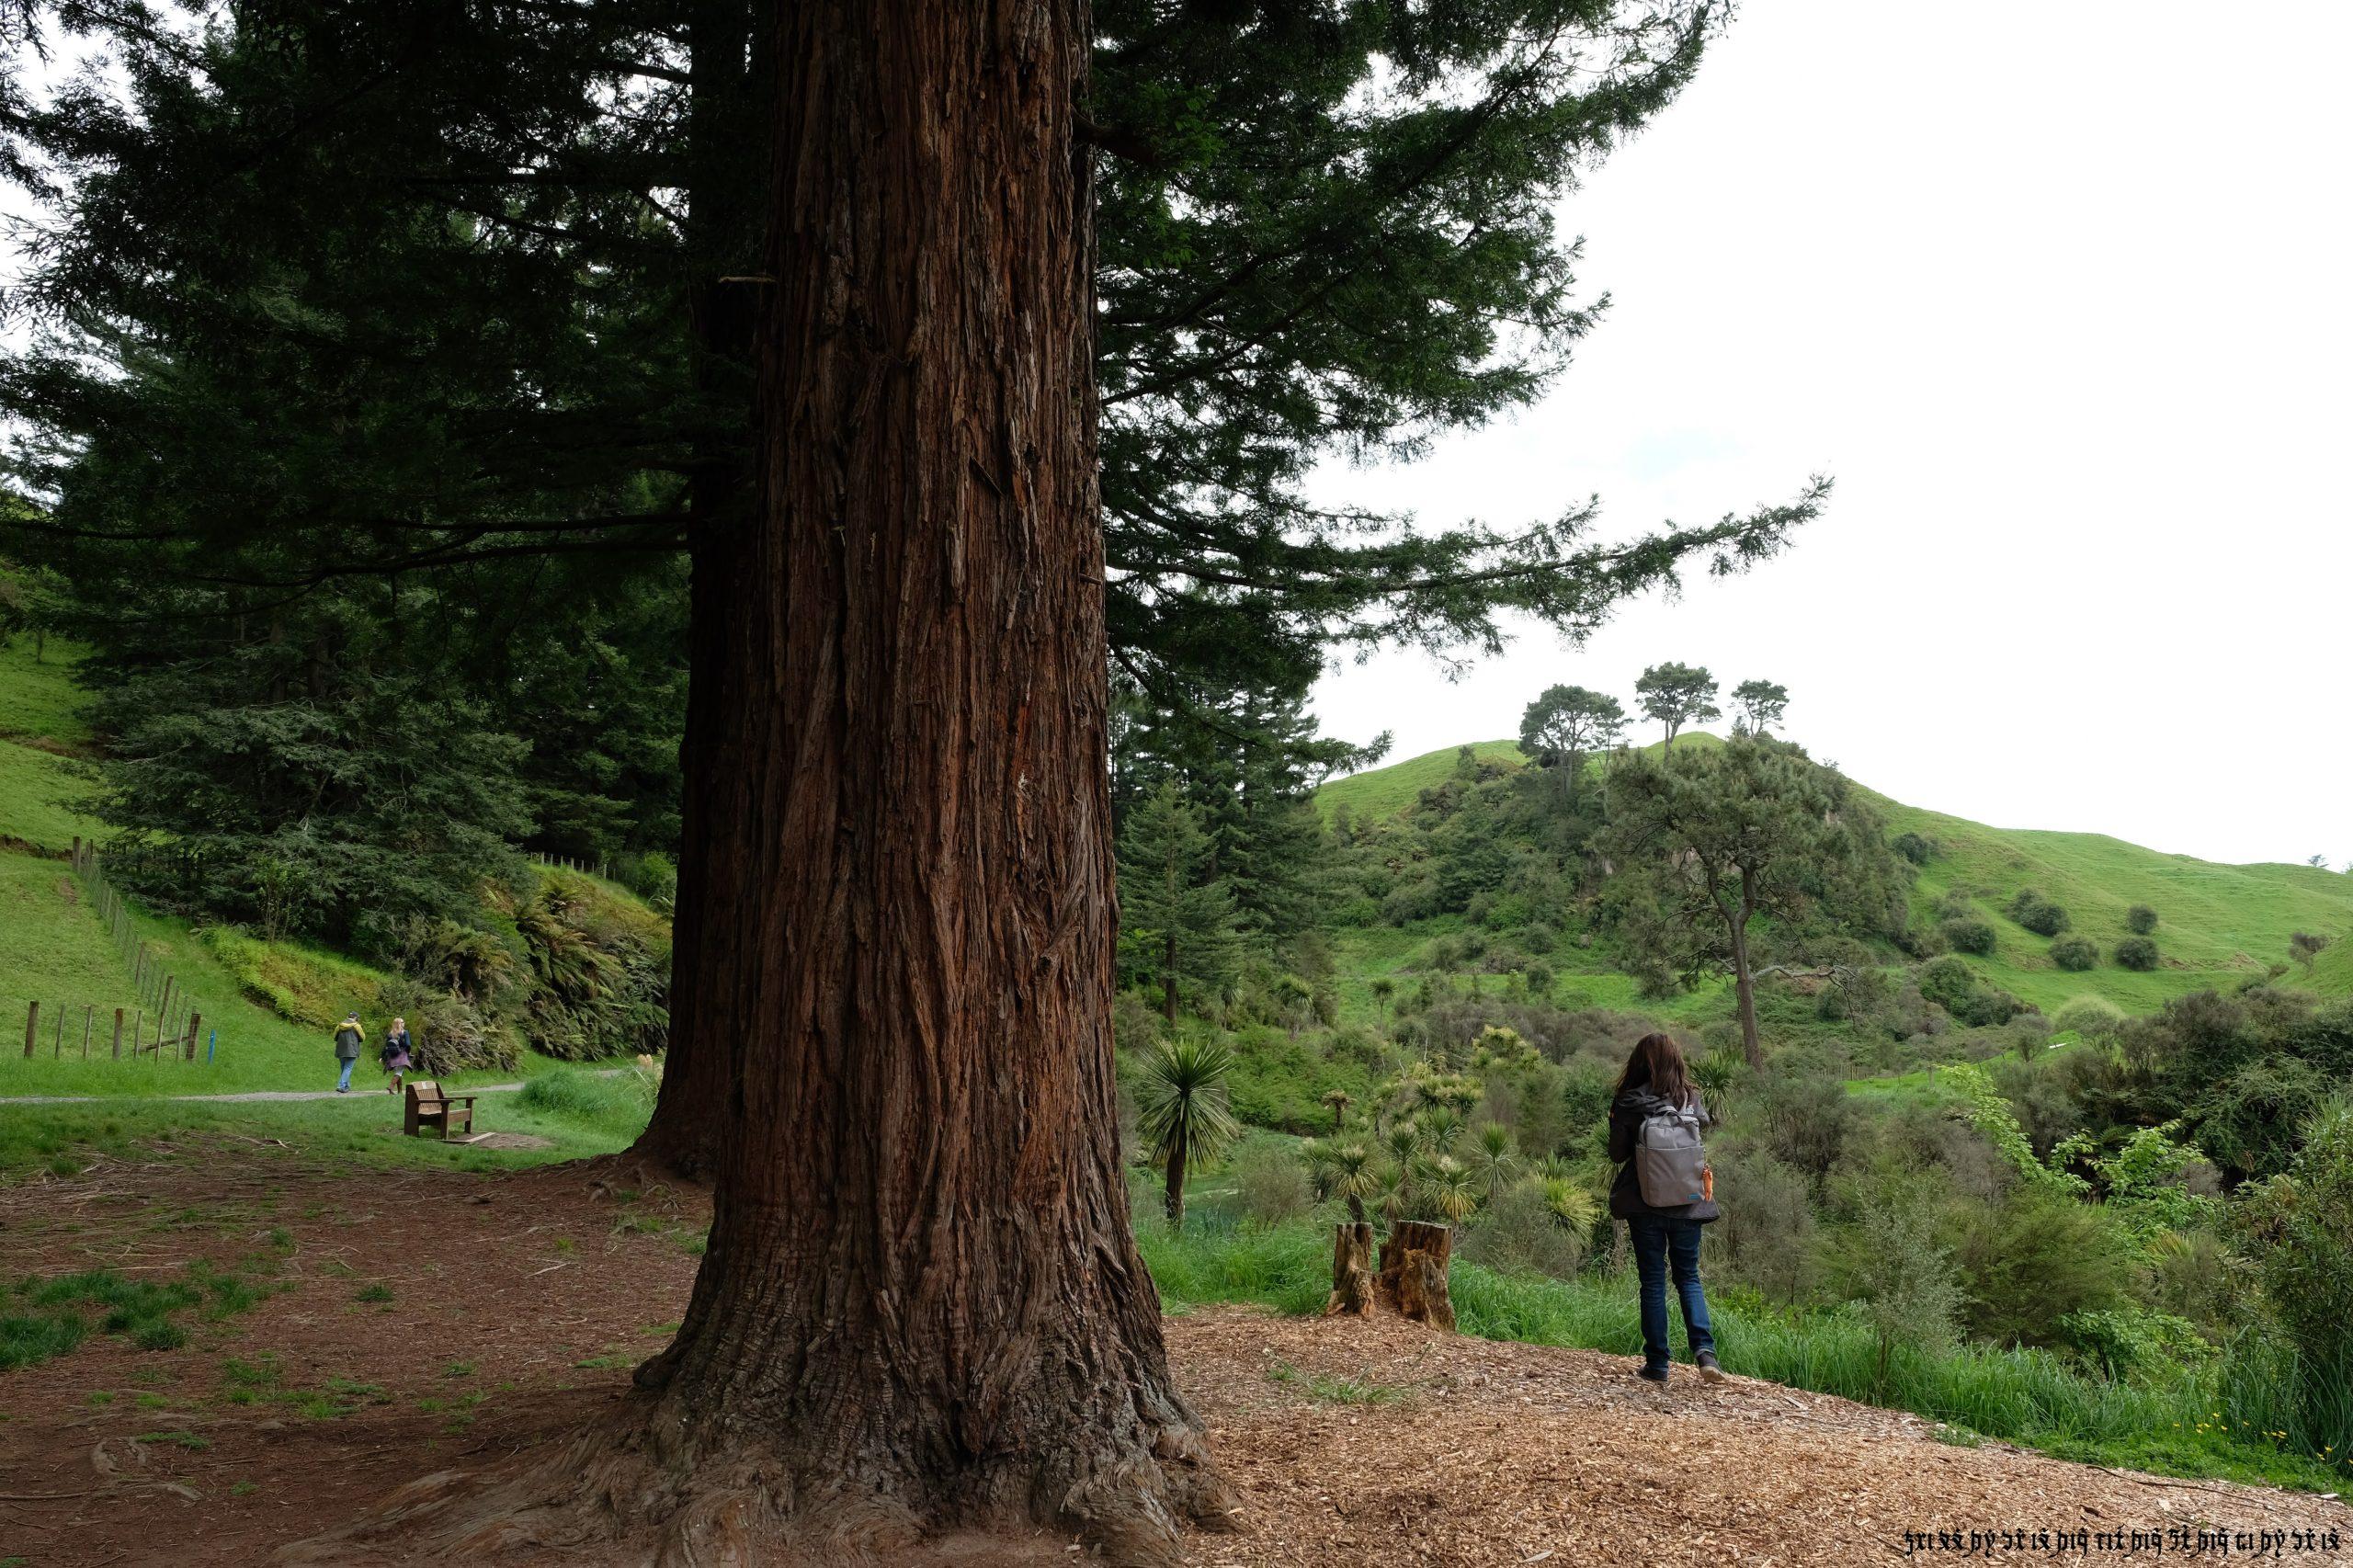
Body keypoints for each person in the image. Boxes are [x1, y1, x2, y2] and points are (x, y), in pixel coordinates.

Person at [1608, 1030, 1724, 1385]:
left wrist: (1618, 1120)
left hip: (1645, 1202)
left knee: (1653, 1280)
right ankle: (1706, 1354)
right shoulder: (1691, 1098)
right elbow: (1701, 1132)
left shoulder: (1628, 1101)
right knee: (1688, 1276)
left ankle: (1658, 1364)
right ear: (1676, 1061)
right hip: (1688, 1202)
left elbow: (1617, 1154)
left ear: (1638, 1063)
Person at [332, 1012, 364, 1094]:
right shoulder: (357, 1026)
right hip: (352, 1049)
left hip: (341, 1049)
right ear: (356, 1017)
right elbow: (363, 1037)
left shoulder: (339, 1025)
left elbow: (334, 1036)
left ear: (348, 1016)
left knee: (344, 1068)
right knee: (348, 1068)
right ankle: (341, 1086)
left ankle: (347, 1086)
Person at [381, 1016, 415, 1096]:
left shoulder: (390, 1034)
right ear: (399, 1024)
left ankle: (400, 1091)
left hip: (392, 1055)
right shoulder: (405, 1032)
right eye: (402, 1022)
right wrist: (407, 1052)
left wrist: (382, 1056)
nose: (404, 1023)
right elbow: (408, 1044)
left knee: (399, 1072)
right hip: (402, 1055)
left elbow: (386, 1046)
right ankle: (391, 1087)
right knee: (399, 1072)